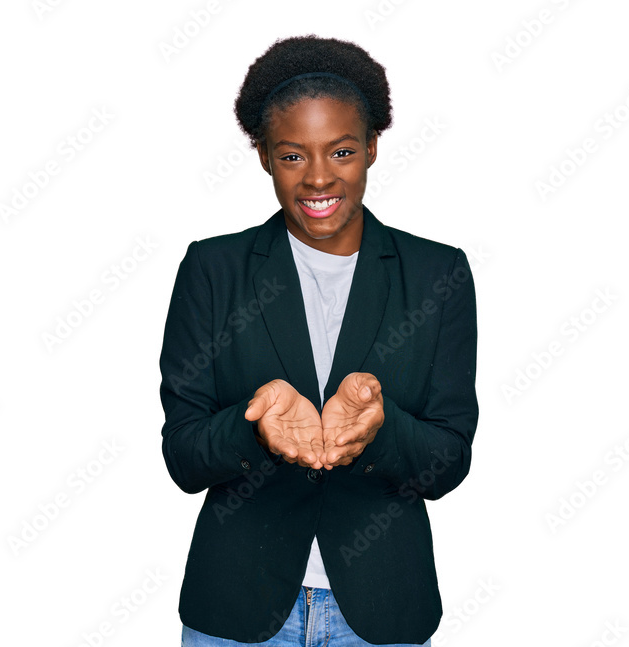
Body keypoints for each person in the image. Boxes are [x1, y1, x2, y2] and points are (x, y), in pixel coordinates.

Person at [160, 34, 478, 645]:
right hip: (238, 609)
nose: (318, 179)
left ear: (372, 148)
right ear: (262, 156)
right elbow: (183, 455)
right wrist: (254, 429)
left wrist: (381, 430)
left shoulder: (438, 274)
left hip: (382, 608)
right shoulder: (213, 270)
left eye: (341, 151)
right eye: (291, 156)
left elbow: (448, 461)